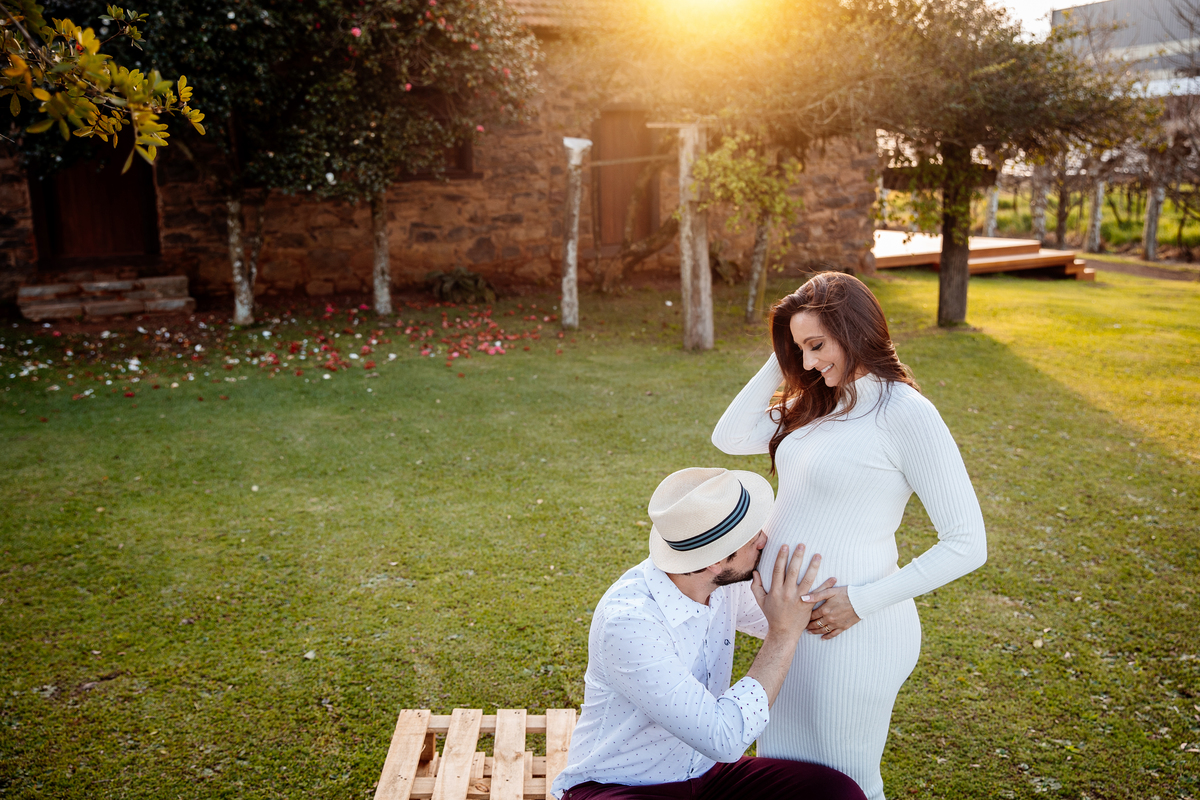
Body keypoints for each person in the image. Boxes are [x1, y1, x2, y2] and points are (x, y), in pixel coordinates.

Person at [711, 272, 987, 800]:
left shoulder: (905, 413)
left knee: (845, 781)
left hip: (852, 632)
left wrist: (859, 602)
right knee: (786, 775)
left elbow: (967, 542)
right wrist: (788, 351)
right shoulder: (821, 401)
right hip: (789, 625)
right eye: (801, 350)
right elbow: (729, 436)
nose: (808, 362)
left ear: (854, 329)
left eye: (817, 345)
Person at [552, 467, 865, 800]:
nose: (764, 541)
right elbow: (724, 738)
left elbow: (793, 616)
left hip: (706, 774)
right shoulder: (629, 625)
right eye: (752, 538)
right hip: (620, 786)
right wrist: (783, 635)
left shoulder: (718, 583)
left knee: (836, 792)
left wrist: (856, 600)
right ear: (715, 561)